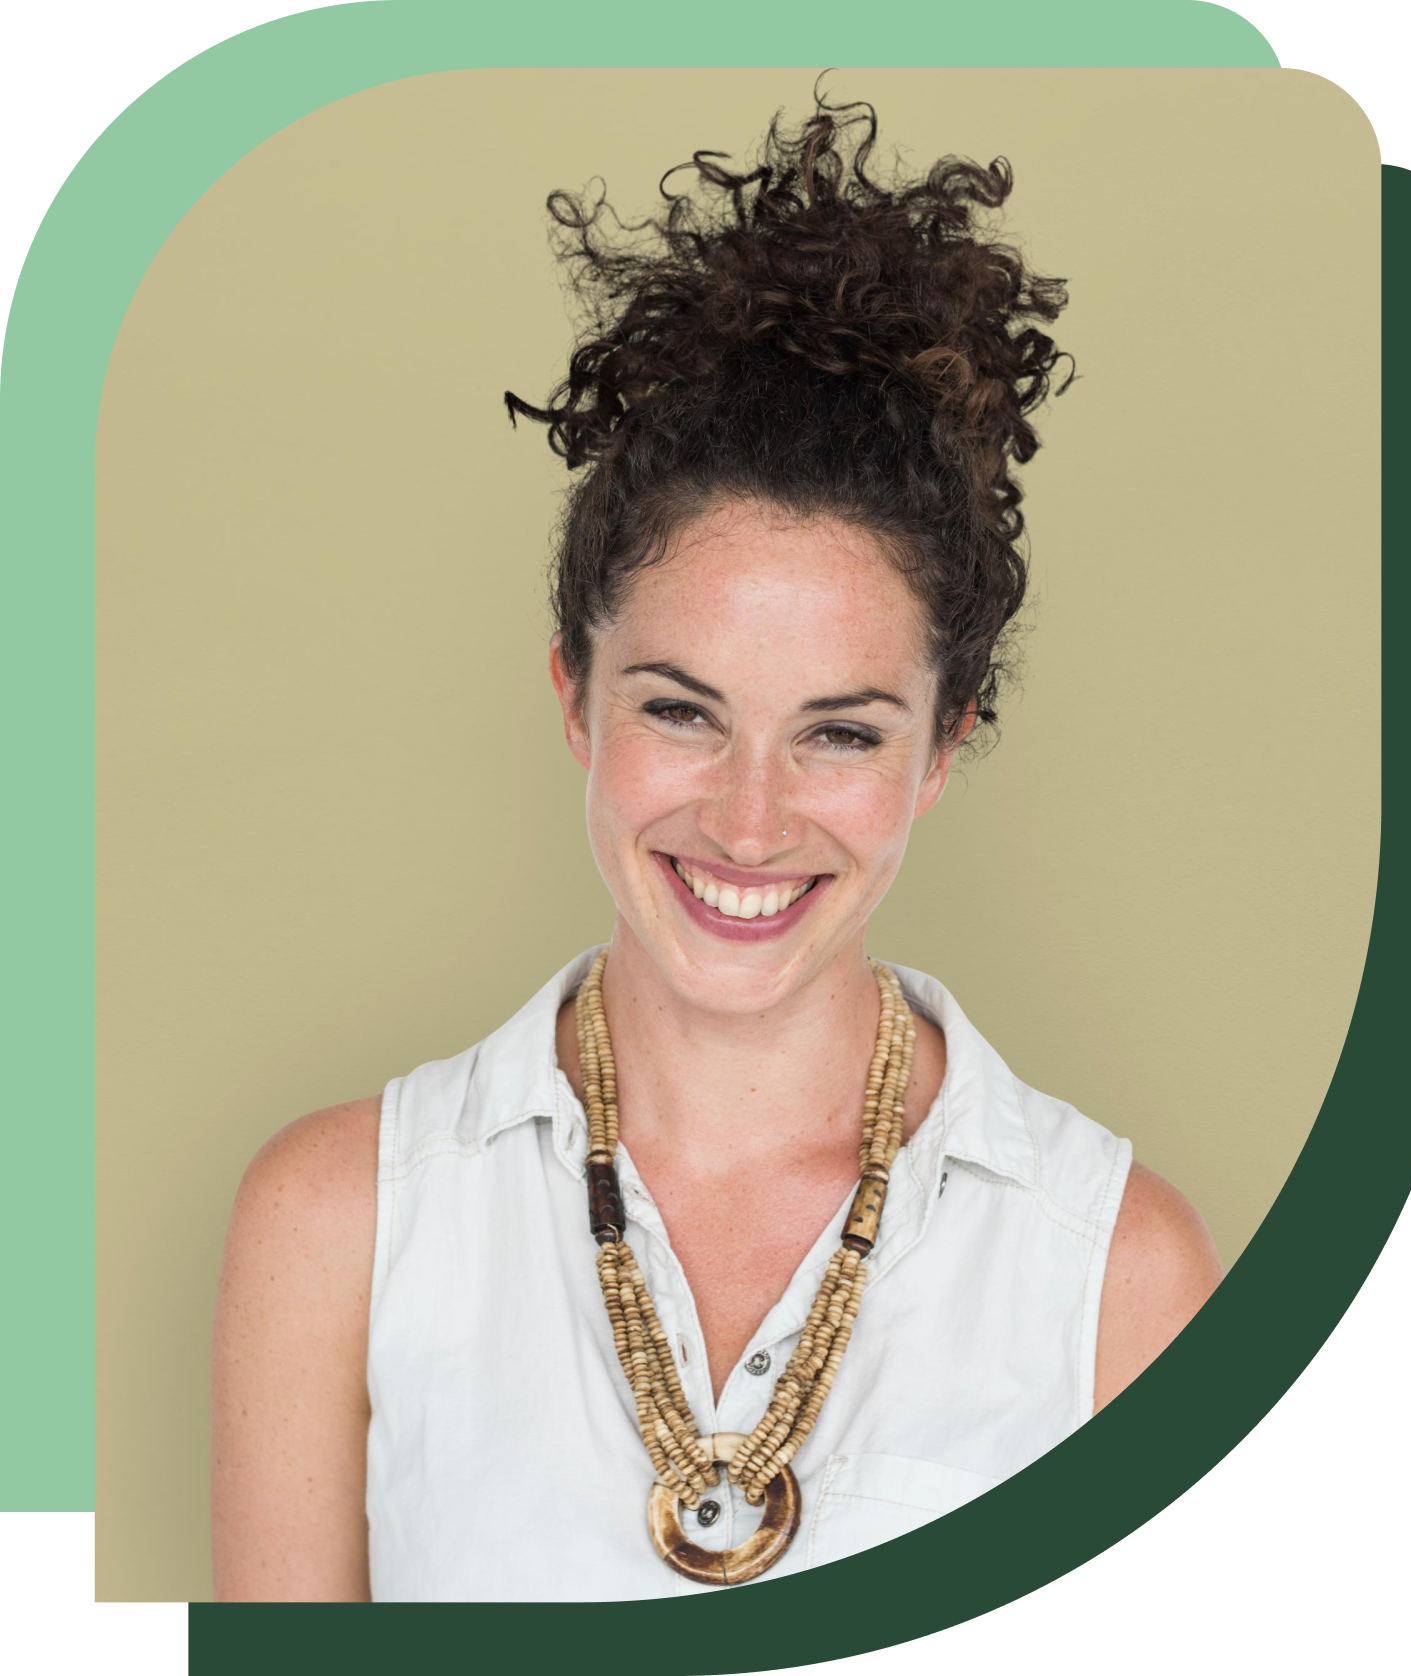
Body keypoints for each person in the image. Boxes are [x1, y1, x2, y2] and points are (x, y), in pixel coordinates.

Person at [210, 80, 1223, 1603]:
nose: (749, 821)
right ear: (576, 697)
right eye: (683, 711)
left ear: (942, 747)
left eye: (841, 732)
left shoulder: (1116, 1273)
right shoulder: (338, 1220)